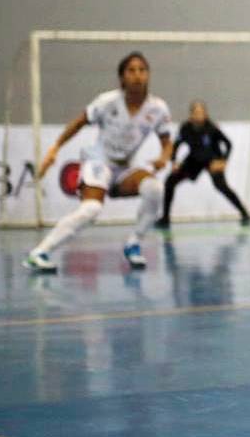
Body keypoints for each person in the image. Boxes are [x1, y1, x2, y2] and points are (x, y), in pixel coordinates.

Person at [24, 52, 173, 272]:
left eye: (142, 70)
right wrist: (54, 149)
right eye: (131, 70)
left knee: (155, 188)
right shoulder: (107, 101)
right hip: (99, 162)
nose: (137, 75)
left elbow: (166, 141)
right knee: (91, 209)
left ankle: (133, 243)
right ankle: (39, 252)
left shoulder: (158, 108)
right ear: (122, 77)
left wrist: (164, 157)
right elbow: (78, 123)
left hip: (126, 168)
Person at [158, 100, 250, 228]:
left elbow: (228, 144)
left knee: (221, 186)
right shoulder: (185, 128)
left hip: (212, 160)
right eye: (196, 113)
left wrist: (223, 161)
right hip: (194, 160)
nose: (199, 115)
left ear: (206, 114)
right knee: (170, 181)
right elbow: (176, 146)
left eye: (201, 112)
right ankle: (165, 218)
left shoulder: (212, 128)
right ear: (191, 115)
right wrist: (174, 162)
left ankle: (244, 213)